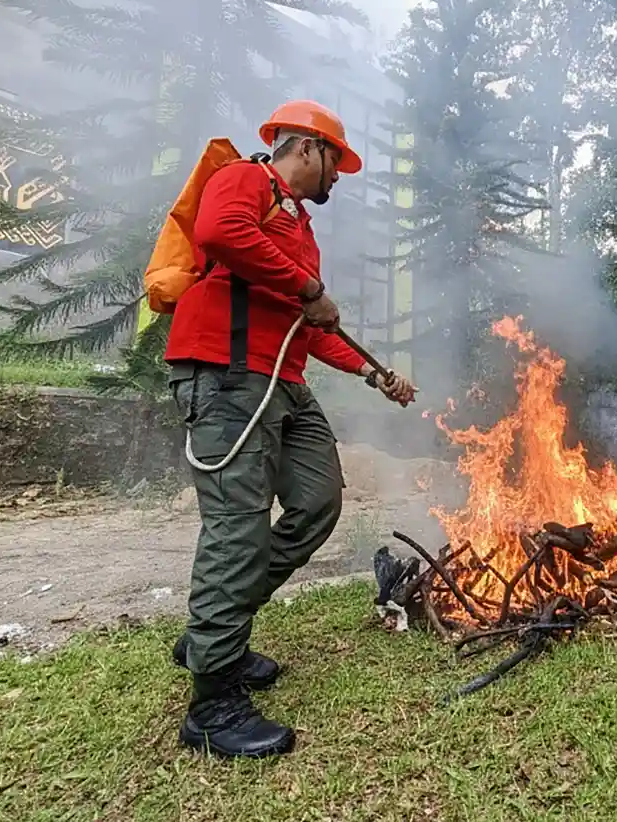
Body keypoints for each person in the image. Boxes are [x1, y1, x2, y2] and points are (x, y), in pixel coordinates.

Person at [164, 100, 417, 759]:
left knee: (318, 501)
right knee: (239, 529)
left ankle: (213, 633)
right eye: (337, 162)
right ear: (306, 148)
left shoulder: (299, 226)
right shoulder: (247, 180)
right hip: (225, 374)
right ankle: (213, 704)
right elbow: (220, 233)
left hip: (281, 381)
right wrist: (307, 288)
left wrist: (372, 372)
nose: (339, 177)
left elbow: (314, 327)